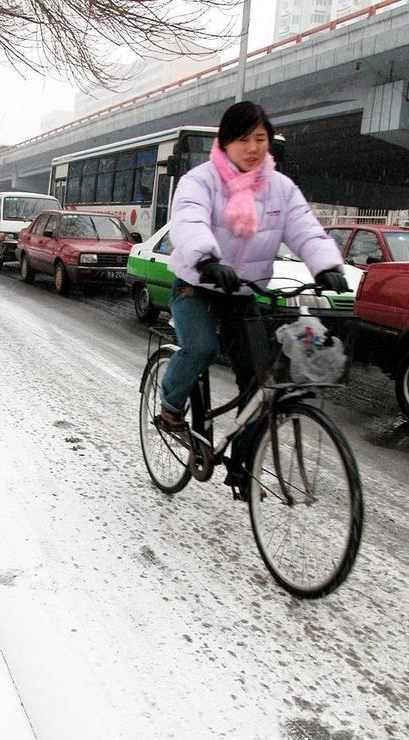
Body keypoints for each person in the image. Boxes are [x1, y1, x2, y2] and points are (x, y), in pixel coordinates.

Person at [160, 101, 348, 497]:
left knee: (261, 382)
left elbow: (305, 229)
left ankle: (243, 470)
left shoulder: (280, 187)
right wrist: (208, 259)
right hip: (199, 284)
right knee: (200, 348)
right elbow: (189, 219)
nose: (253, 147)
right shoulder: (201, 180)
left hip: (244, 292)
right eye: (243, 139)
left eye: (260, 138)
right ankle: (171, 406)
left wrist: (326, 265)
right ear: (225, 142)